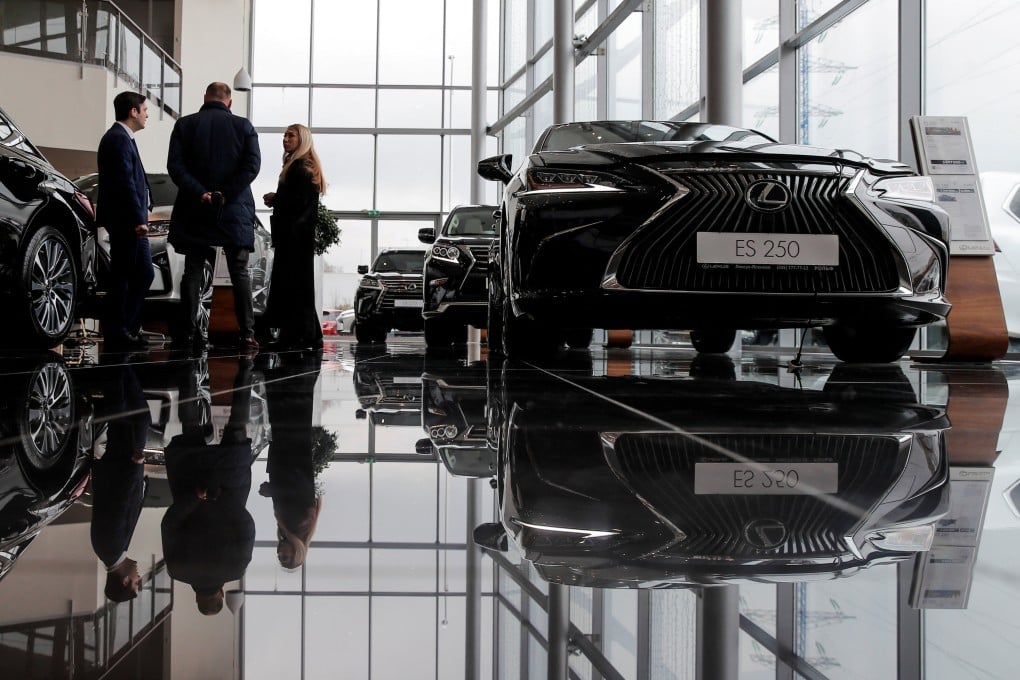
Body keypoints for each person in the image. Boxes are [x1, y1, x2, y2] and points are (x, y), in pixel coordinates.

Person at [167, 81, 261, 352]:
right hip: (233, 208)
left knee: (193, 271)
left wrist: (202, 193)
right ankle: (247, 334)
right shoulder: (244, 127)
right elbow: (252, 166)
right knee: (239, 273)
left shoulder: (185, 125)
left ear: (205, 98)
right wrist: (224, 194)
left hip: (195, 207)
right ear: (229, 102)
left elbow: (176, 166)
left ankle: (187, 332)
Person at [161, 357, 257, 615]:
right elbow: (169, 524)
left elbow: (246, 526)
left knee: (236, 421)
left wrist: (220, 498)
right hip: (188, 480)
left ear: (221, 595)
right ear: (196, 599)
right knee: (189, 423)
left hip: (230, 482)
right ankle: (189, 367)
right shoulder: (177, 570)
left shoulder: (235, 568)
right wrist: (196, 498)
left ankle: (245, 367)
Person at [96, 91, 155, 350]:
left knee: (139, 273)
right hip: (126, 221)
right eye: (144, 109)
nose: (147, 114)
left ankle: (126, 329)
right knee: (128, 275)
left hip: (131, 218)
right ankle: (118, 330)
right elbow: (124, 183)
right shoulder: (117, 139)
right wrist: (136, 217)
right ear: (133, 111)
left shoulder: (123, 138)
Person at [89, 363, 150, 602]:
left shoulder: (111, 547)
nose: (138, 576)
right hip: (120, 465)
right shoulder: (109, 550)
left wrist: (135, 469)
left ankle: (121, 361)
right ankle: (122, 363)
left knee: (131, 416)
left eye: (136, 582)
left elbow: (119, 503)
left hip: (123, 464)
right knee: (132, 415)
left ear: (125, 581)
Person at [262, 124, 326, 350]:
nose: (285, 139)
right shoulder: (305, 166)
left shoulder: (300, 167)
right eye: (284, 135)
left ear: (302, 140)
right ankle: (307, 335)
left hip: (293, 236)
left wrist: (276, 198)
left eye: (291, 135)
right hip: (299, 236)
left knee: (291, 285)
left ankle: (295, 336)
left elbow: (297, 203)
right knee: (300, 286)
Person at [259, 351, 324, 569]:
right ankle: (293, 363)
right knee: (287, 401)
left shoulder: (290, 527)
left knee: (291, 402)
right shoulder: (299, 523)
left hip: (290, 451)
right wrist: (272, 490)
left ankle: (296, 364)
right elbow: (297, 486)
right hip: (290, 452)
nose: (279, 554)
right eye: (284, 557)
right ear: (296, 552)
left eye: (279, 558)